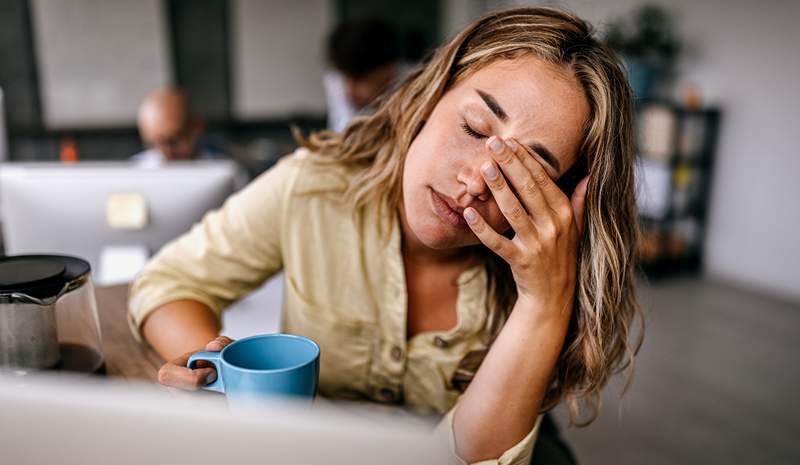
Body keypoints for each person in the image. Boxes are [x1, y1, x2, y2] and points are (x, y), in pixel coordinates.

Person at [129, 7, 642, 465]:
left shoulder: (546, 273)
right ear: (429, 96)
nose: (473, 183)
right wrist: (224, 380)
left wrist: (544, 301)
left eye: (526, 172)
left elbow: (468, 458)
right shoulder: (314, 186)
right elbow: (169, 283)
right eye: (474, 127)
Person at [323, 18, 402, 132]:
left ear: (389, 72)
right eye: (345, 78)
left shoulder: (412, 87)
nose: (349, 91)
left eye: (358, 80)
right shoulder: (337, 81)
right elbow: (343, 134)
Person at [132, 87, 219, 165]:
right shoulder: (135, 169)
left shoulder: (222, 166)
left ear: (197, 128)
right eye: (153, 144)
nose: (165, 154)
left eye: (172, 142)